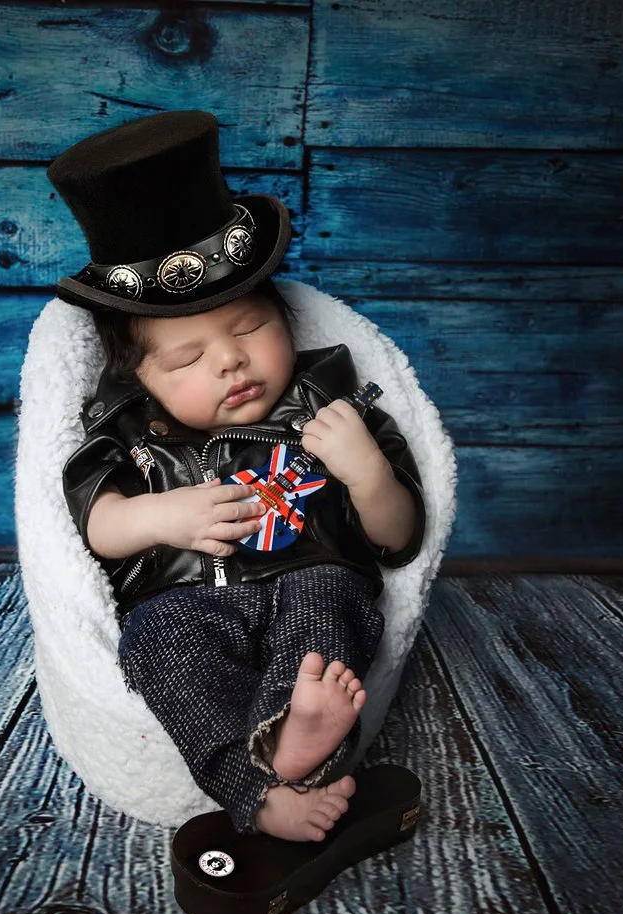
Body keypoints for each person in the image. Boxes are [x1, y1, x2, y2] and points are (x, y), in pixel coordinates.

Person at [52, 111, 427, 843]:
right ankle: (263, 782)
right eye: (187, 359)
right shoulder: (129, 435)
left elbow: (400, 538)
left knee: (333, 602)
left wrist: (368, 472)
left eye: (251, 328)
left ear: (287, 320)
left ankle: (292, 737)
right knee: (162, 647)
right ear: (141, 381)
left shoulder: (334, 411)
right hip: (186, 600)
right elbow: (96, 525)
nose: (229, 361)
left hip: (310, 575)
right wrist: (162, 519)